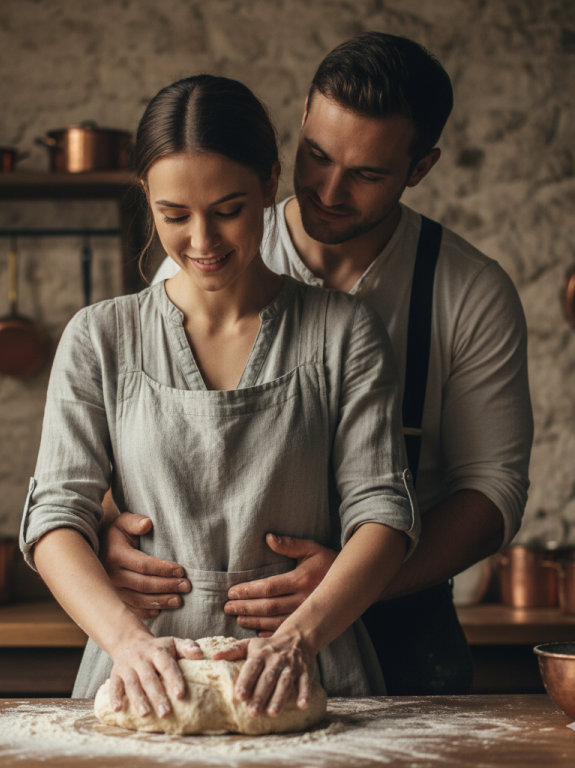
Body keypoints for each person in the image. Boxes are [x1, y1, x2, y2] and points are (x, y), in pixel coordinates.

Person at [101, 33, 534, 695]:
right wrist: (108, 527)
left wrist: (357, 580)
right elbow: (138, 436)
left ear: (420, 168)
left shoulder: (469, 291)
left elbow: (492, 490)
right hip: (222, 631)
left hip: (399, 622)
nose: (330, 190)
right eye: (318, 157)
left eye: (367, 174)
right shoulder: (211, 247)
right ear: (300, 122)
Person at [20, 73, 420, 719]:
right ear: (145, 197)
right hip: (143, 670)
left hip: (310, 668)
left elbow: (384, 513)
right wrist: (128, 643)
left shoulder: (345, 332)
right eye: (173, 216)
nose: (201, 244)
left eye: (228, 210)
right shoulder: (100, 338)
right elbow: (52, 517)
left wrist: (298, 639)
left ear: (269, 183)